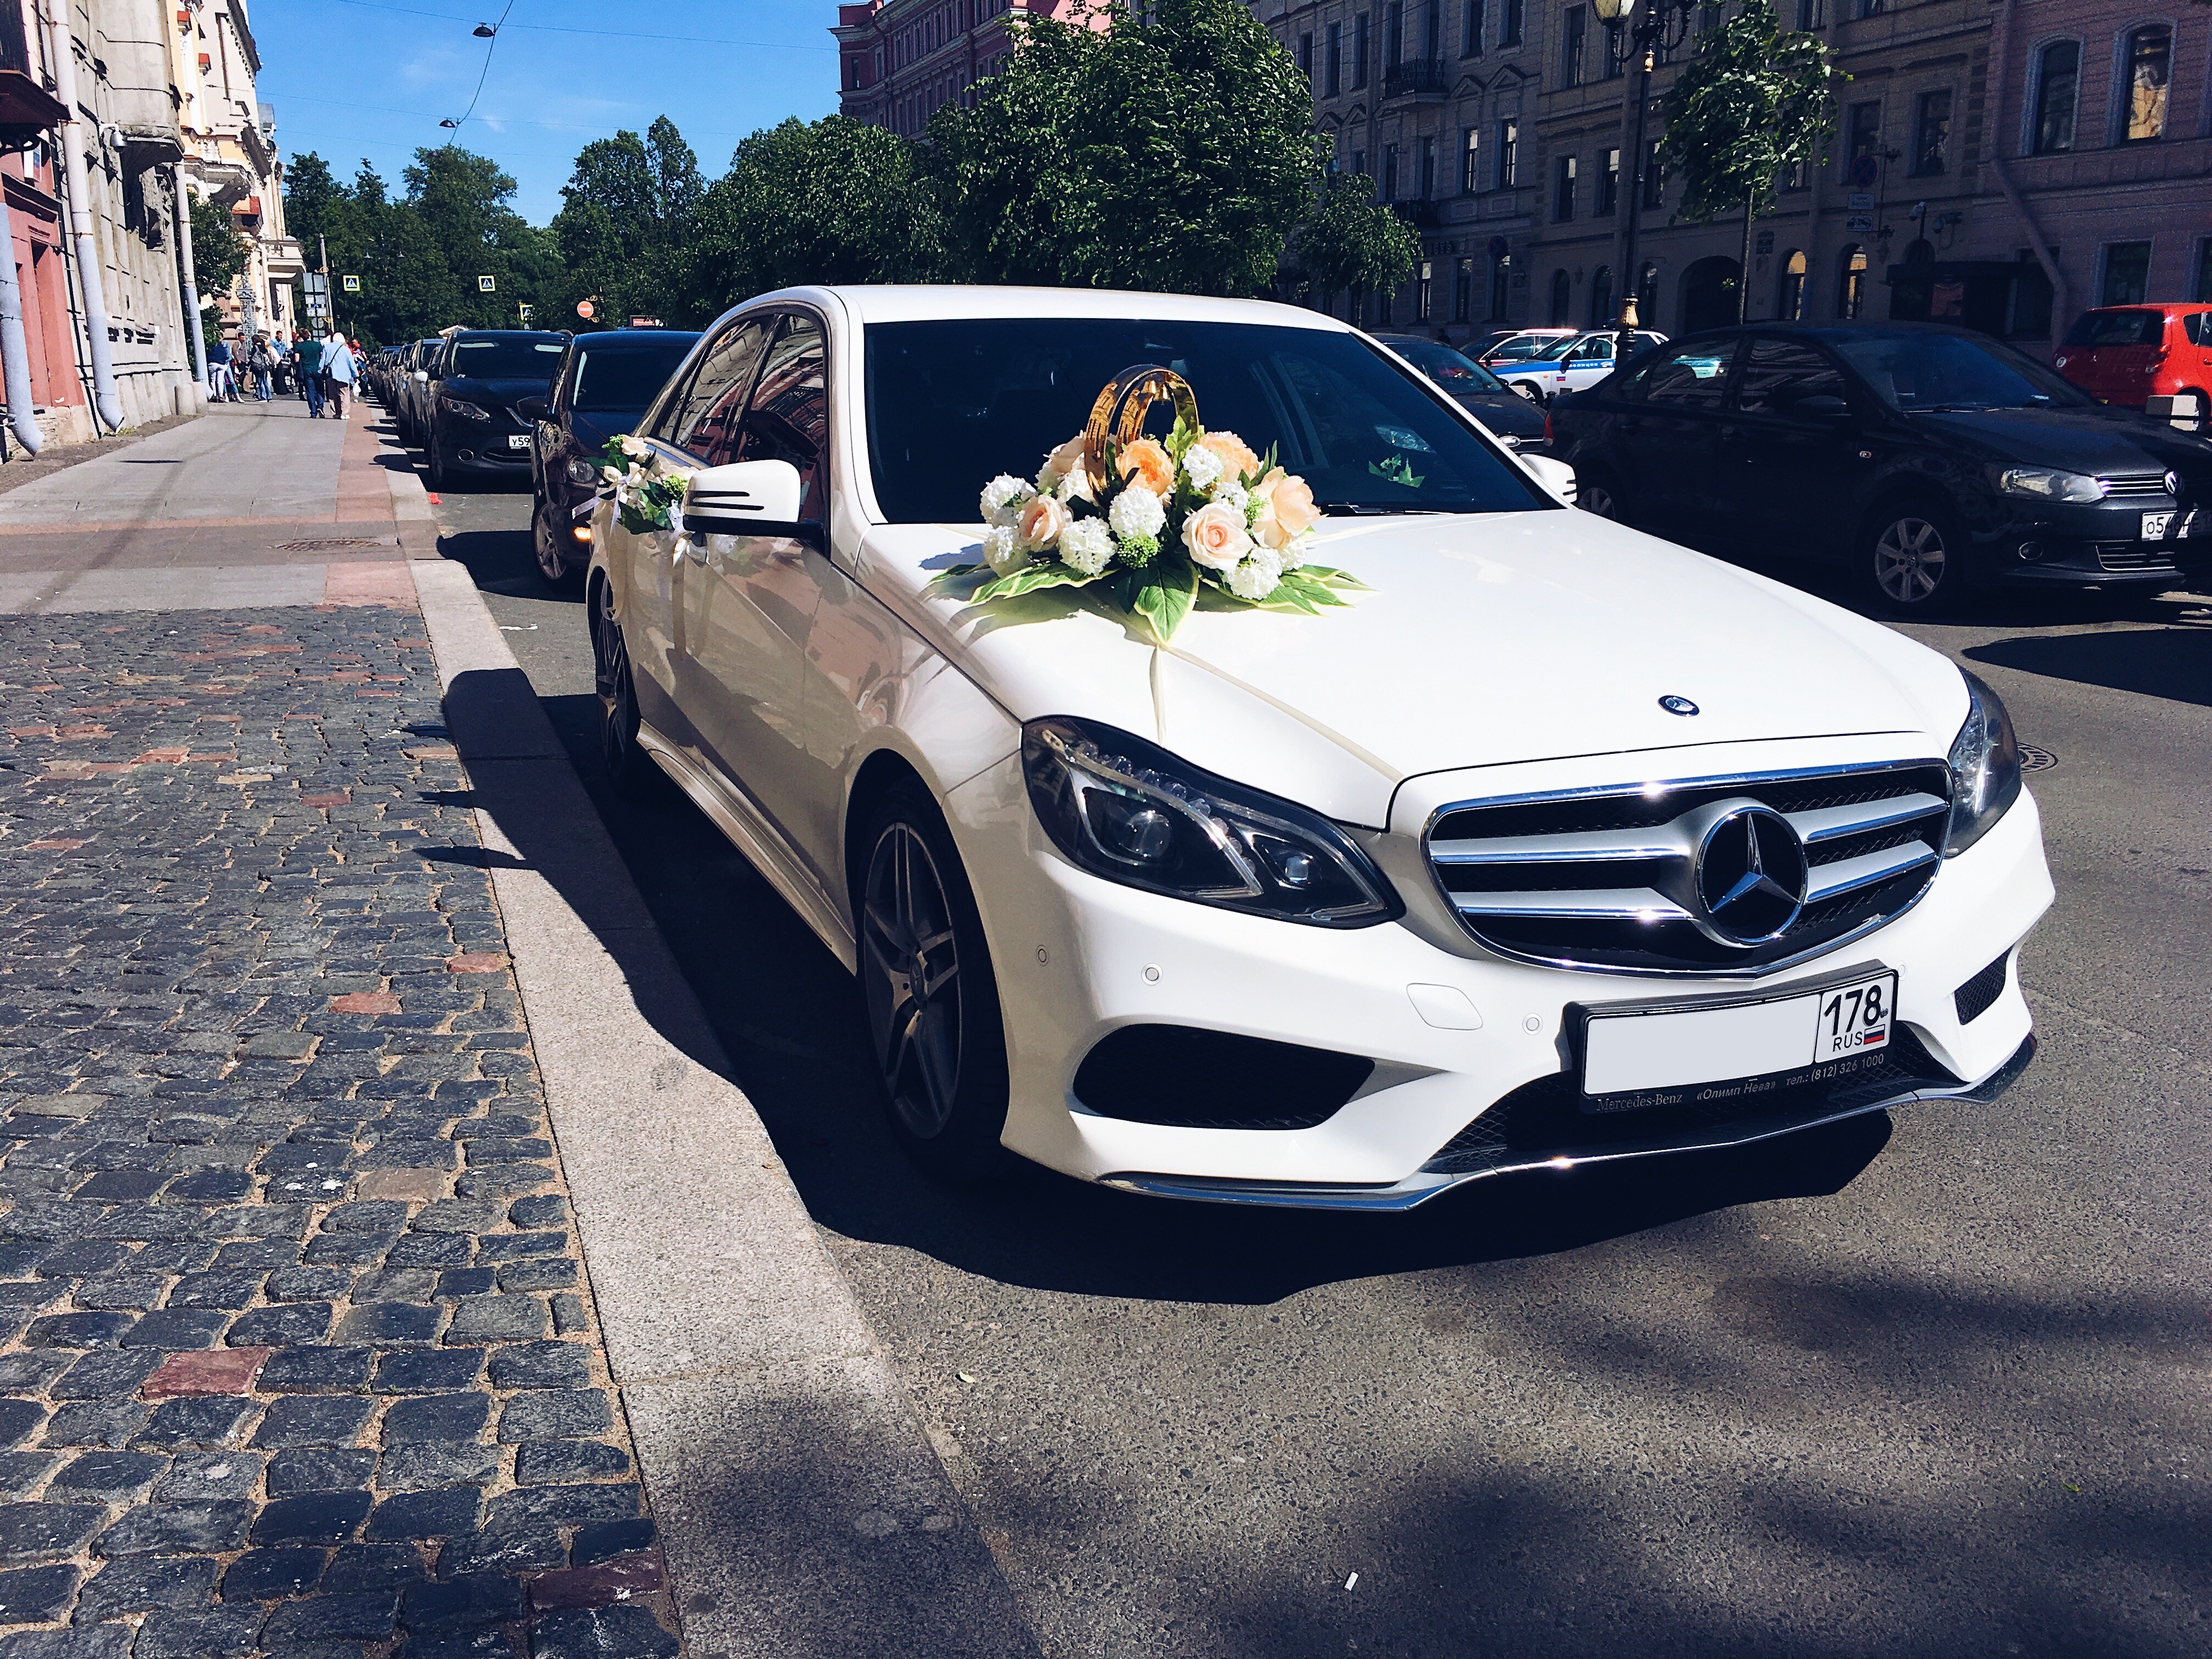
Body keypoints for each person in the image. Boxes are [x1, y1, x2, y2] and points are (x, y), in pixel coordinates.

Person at [320, 325, 356, 419]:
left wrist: (320, 371)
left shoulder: (327, 347)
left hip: (330, 375)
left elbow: (323, 361)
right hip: (344, 375)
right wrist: (355, 374)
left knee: (333, 395)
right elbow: (351, 363)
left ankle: (336, 413)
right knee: (344, 394)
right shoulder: (346, 349)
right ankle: (345, 413)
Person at [295, 330, 325, 417]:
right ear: (309, 335)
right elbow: (322, 356)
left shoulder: (299, 346)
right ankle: (320, 406)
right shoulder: (317, 345)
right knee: (320, 389)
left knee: (310, 391)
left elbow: (297, 359)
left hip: (307, 370)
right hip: (317, 369)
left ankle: (313, 412)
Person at [207, 335, 235, 402]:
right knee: (220, 381)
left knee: (213, 381)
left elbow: (208, 354)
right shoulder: (223, 346)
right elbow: (227, 355)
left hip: (213, 364)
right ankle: (220, 396)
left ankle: (214, 396)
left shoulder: (211, 346)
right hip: (222, 364)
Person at [247, 334, 274, 401]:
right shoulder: (263, 347)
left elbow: (252, 358)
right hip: (264, 366)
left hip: (258, 367)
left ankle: (263, 397)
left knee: (260, 382)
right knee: (265, 382)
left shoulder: (255, 348)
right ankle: (269, 397)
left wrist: (248, 365)